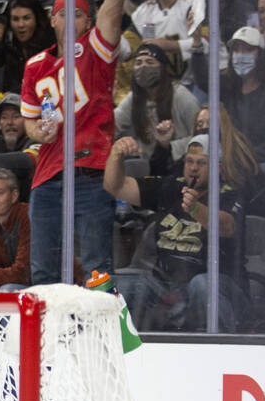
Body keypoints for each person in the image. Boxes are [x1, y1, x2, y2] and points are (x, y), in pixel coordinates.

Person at [22, 0, 126, 285]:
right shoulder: (34, 65)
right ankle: (47, 333)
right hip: (47, 177)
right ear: (52, 20)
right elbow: (29, 121)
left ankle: (102, 332)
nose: (69, 21)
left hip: (91, 173)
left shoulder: (96, 48)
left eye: (78, 15)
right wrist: (38, 133)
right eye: (63, 15)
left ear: (89, 23)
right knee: (43, 270)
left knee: (98, 268)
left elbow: (112, 9)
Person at [104, 135, 246, 331]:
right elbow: (116, 187)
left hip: (218, 284)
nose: (193, 168)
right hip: (165, 285)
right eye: (189, 161)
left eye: (201, 163)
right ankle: (127, 352)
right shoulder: (170, 187)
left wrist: (196, 209)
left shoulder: (229, 193)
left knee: (202, 285)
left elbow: (226, 226)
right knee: (126, 284)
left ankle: (214, 348)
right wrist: (115, 155)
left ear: (218, 167)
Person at [114, 43, 201, 175]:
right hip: (151, 167)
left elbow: (202, 137)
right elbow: (113, 125)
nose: (143, 67)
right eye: (138, 63)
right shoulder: (134, 98)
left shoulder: (181, 96)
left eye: (150, 62)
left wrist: (170, 147)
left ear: (162, 68)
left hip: (182, 166)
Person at [222, 26, 265, 165]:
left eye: (248, 49)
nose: (241, 55)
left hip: (264, 163)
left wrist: (249, 156)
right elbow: (202, 79)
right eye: (236, 50)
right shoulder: (230, 87)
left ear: (260, 55)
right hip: (233, 161)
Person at [130, 0, 208, 90]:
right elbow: (140, 46)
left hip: (206, 81)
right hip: (170, 85)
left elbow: (206, 43)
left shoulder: (195, 0)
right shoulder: (145, 11)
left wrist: (170, 45)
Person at [0, 0, 55, 96]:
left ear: (37, 19)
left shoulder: (49, 41)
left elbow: (42, 78)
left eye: (26, 18)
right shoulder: (9, 39)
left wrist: (15, 93)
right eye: (15, 19)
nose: (21, 25)